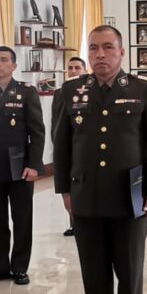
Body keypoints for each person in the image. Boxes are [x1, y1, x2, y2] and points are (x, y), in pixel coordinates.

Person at [52, 25, 147, 294]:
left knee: (130, 272)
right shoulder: (70, 91)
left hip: (130, 196)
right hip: (86, 196)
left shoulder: (143, 89)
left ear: (121, 52)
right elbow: (61, 144)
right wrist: (64, 189)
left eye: (107, 47)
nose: (100, 54)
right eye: (93, 48)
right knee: (94, 273)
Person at [0, 47, 45, 286]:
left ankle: (20, 267)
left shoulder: (26, 92)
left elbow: (37, 132)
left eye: (4, 60)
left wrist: (34, 164)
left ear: (13, 66)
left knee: (22, 219)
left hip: (19, 166)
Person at [55, 56, 87, 237]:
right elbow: (57, 123)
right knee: (69, 188)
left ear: (84, 70)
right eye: (70, 68)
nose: (73, 71)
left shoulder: (88, 91)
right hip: (68, 149)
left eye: (77, 68)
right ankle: (74, 223)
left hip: (83, 148)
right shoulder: (61, 92)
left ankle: (80, 223)